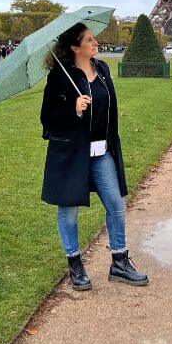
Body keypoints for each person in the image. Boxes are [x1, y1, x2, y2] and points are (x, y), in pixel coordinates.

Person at [40, 22, 148, 291]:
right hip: (72, 154)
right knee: (69, 211)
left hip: (101, 152)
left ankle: (119, 263)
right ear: (75, 47)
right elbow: (47, 118)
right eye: (89, 40)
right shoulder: (59, 77)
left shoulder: (102, 70)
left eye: (94, 38)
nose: (95, 43)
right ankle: (75, 264)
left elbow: (110, 109)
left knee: (116, 204)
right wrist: (72, 110)